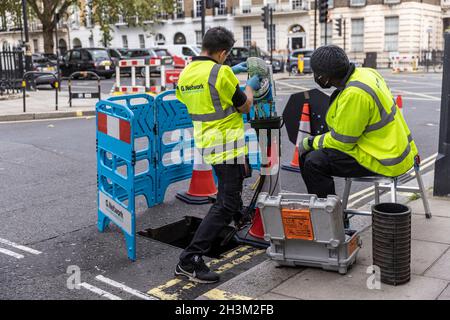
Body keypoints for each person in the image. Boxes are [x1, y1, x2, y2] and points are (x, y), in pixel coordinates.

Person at [174, 27, 261, 283]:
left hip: (207, 142)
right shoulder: (221, 72)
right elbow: (245, 105)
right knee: (226, 202)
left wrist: (229, 75)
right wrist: (249, 86)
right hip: (227, 145)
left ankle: (240, 218)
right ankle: (189, 260)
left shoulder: (186, 72)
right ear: (223, 52)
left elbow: (194, 95)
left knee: (230, 191)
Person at [298, 45, 418, 198]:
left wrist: (310, 142)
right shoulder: (367, 73)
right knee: (315, 152)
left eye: (316, 73)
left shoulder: (354, 94)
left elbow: (341, 142)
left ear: (325, 77)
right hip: (394, 149)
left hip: (384, 159)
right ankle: (327, 212)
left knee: (312, 161)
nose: (316, 77)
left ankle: (329, 218)